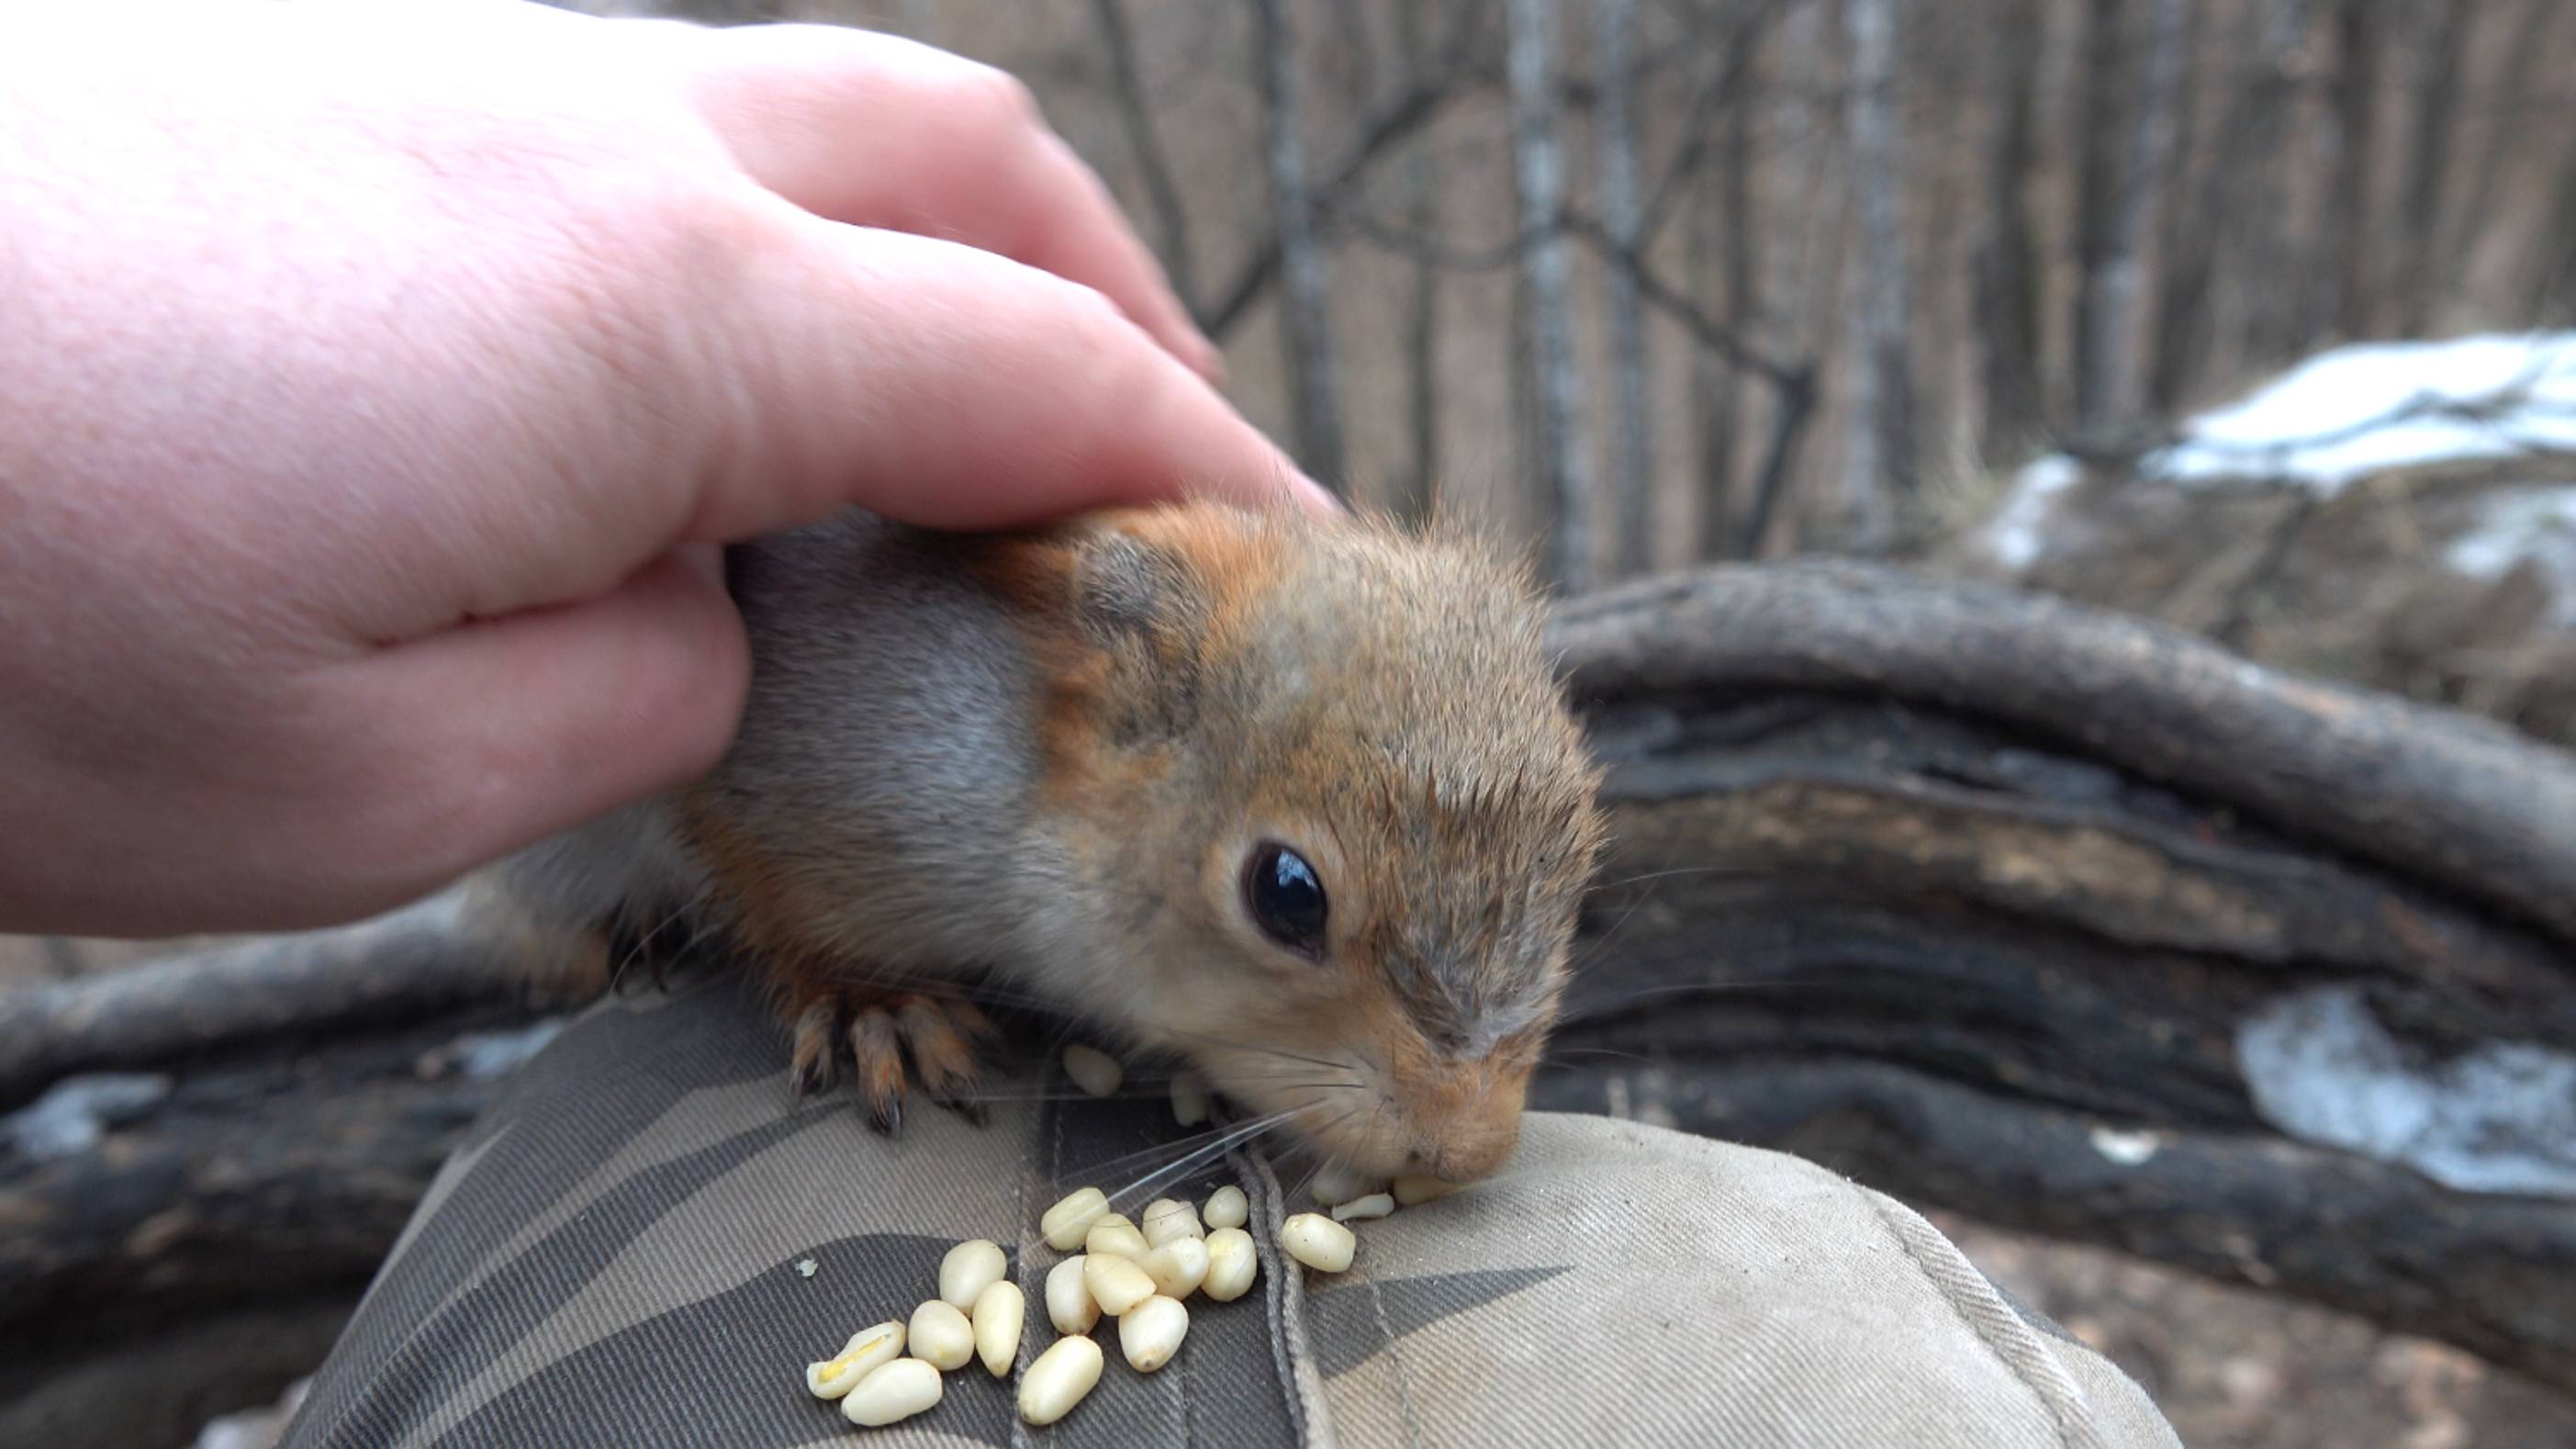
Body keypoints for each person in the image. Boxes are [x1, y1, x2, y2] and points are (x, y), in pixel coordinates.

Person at [0, 5, 2184, 1444]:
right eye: (1291, 904)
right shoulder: (970, 753)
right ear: (1132, 718)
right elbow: (756, 771)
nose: (1468, 1138)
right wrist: (840, 970)